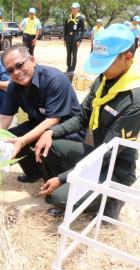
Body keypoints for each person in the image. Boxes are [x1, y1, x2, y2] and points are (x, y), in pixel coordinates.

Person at [35, 24, 140, 220]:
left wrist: (62, 178)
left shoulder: (134, 99)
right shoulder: (105, 79)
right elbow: (83, 117)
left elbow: (107, 153)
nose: (101, 69)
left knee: (60, 198)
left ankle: (110, 200)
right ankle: (78, 187)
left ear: (127, 58)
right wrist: (50, 132)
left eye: (106, 63)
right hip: (96, 154)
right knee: (52, 146)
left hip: (114, 168)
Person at [0, 44, 84, 183]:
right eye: (10, 70)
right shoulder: (14, 87)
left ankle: (54, 181)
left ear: (32, 60)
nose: (17, 72)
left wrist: (23, 140)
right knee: (9, 137)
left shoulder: (54, 79)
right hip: (38, 124)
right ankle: (35, 173)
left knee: (43, 142)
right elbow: (3, 119)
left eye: (19, 65)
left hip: (66, 131)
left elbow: (53, 120)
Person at [63, 2, 84, 74]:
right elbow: (65, 29)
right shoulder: (68, 17)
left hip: (75, 38)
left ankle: (72, 69)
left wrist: (80, 40)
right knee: (68, 54)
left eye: (74, 8)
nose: (73, 9)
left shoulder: (80, 18)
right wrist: (65, 39)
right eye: (72, 8)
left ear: (78, 9)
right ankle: (68, 68)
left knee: (74, 54)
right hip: (68, 37)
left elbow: (82, 30)